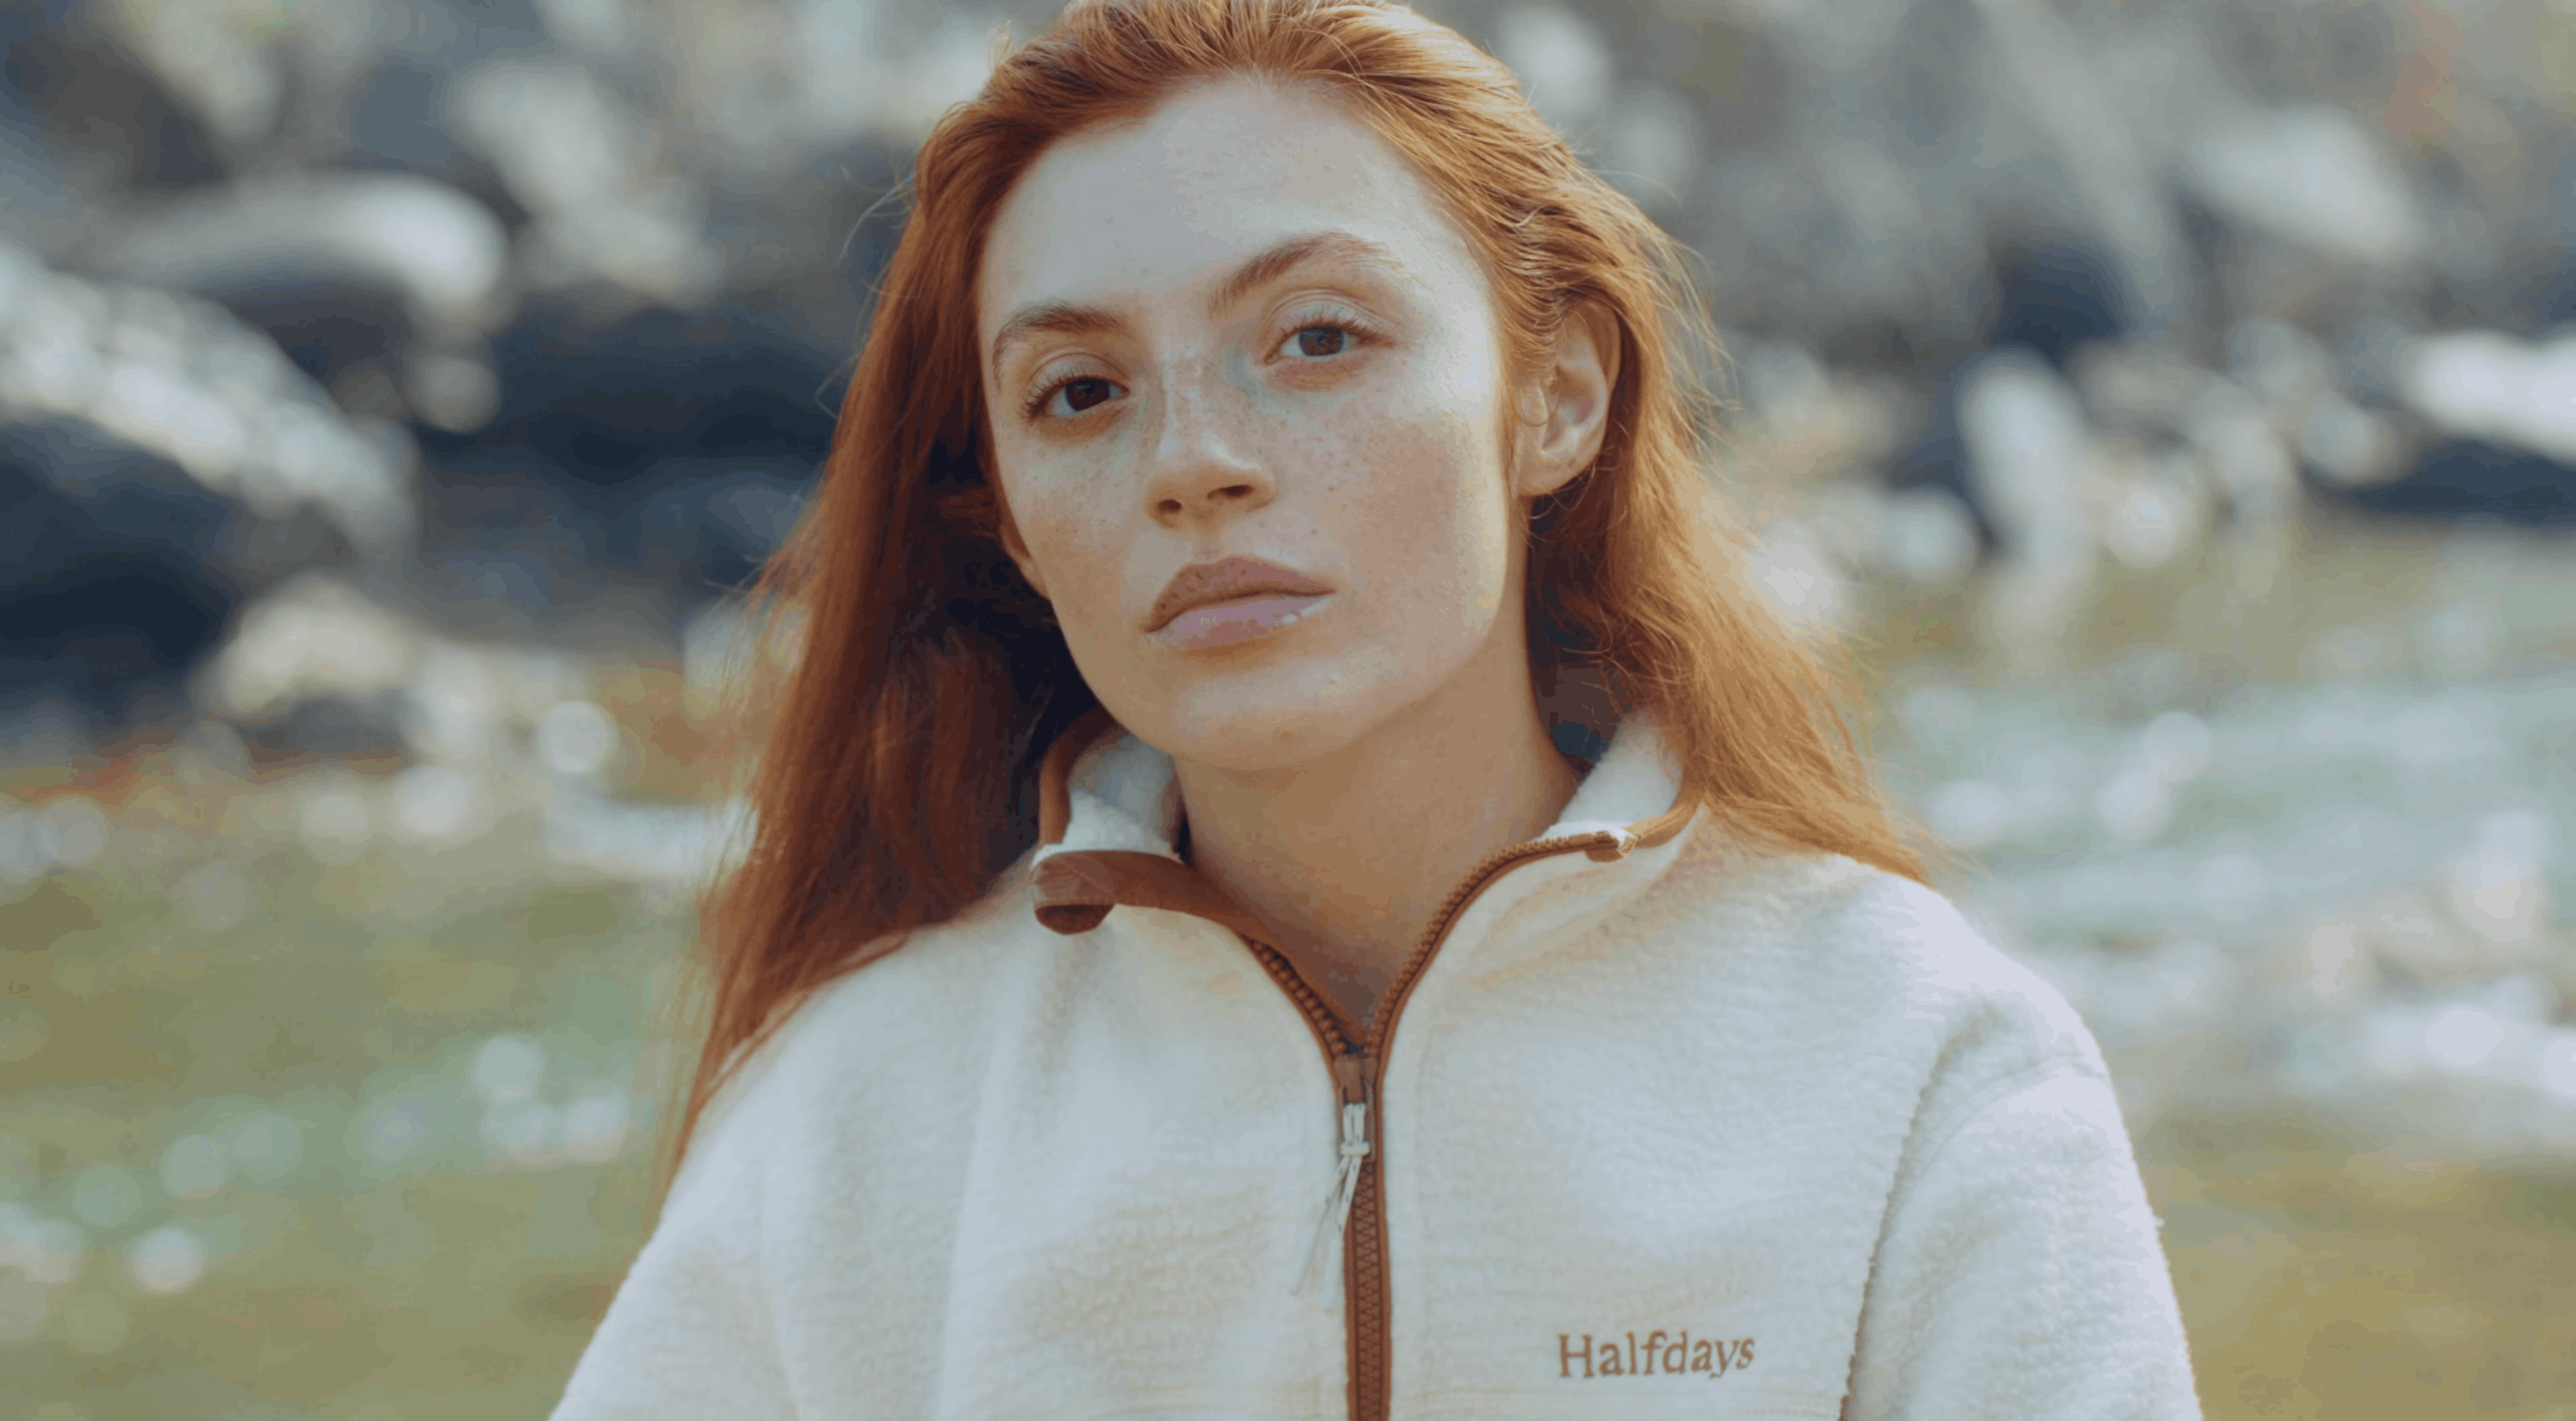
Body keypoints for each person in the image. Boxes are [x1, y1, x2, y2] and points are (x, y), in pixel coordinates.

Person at [549, 1, 2201, 1417]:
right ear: (1013, 522)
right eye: (1082, 392)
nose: (1195, 457)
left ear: (1552, 396)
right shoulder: (854, 1124)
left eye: (1318, 338)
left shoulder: (1919, 1067)